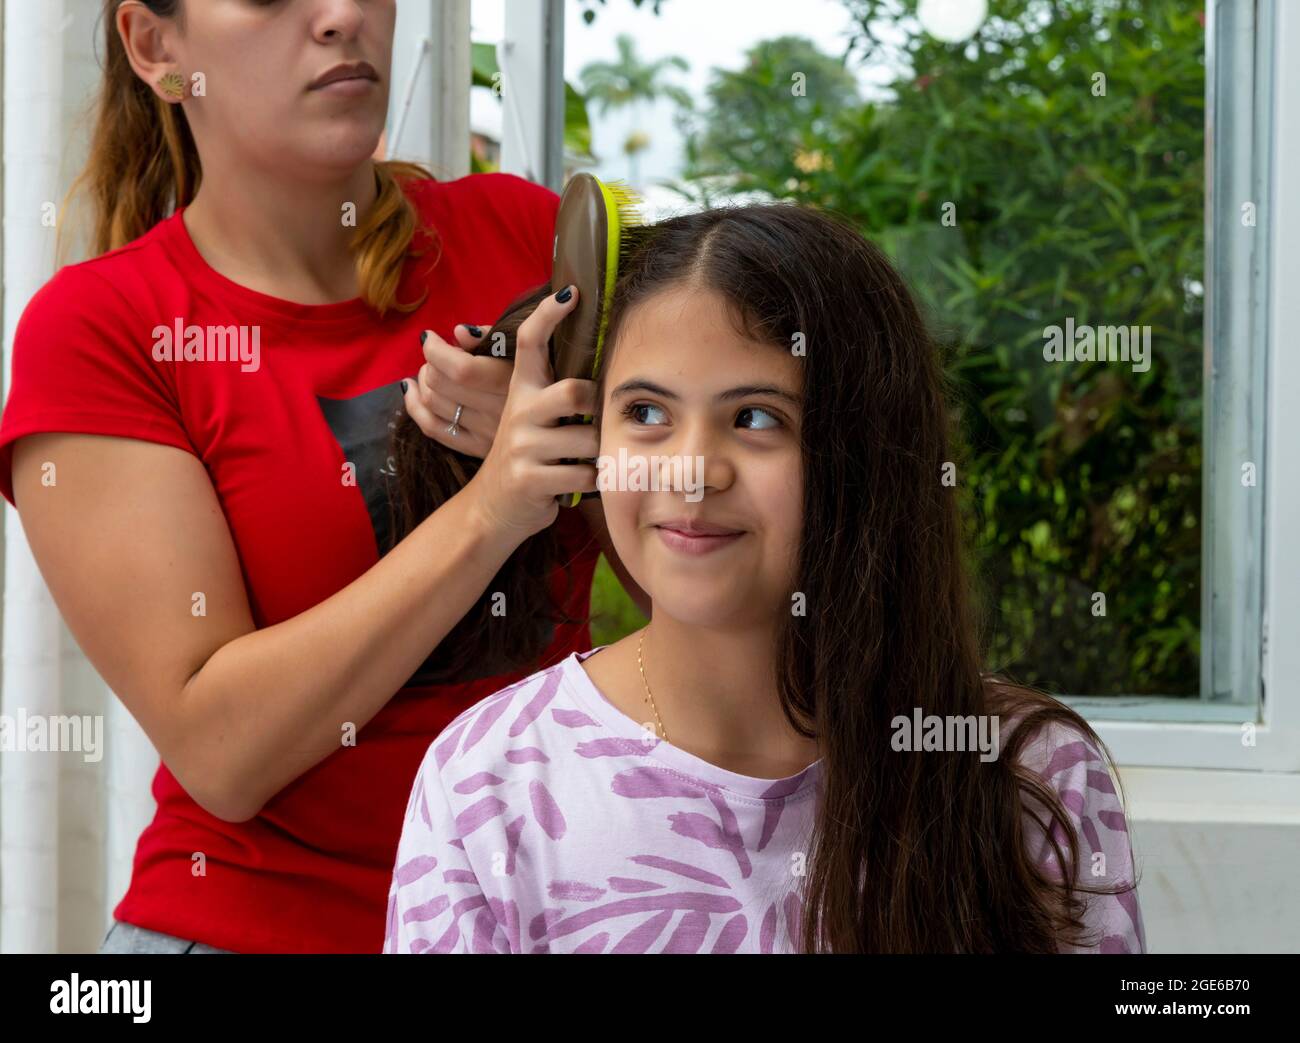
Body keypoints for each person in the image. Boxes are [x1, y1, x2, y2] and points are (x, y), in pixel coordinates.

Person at [0, 0, 642, 954]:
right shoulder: (105, 331)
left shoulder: (527, 232)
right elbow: (223, 749)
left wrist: (601, 445)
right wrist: (494, 505)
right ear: (155, 46)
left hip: (556, 919)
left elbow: (707, 565)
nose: (341, 15)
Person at [383, 203, 1147, 954]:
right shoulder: (490, 784)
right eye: (647, 412)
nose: (691, 470)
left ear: (868, 458)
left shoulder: (1032, 776)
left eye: (755, 418)